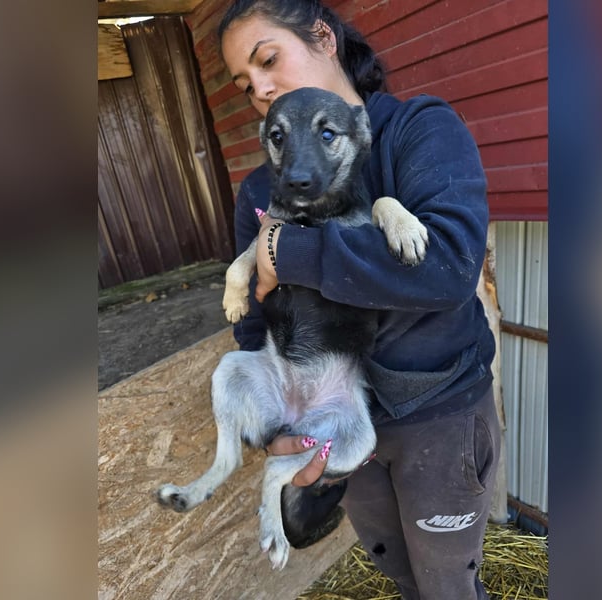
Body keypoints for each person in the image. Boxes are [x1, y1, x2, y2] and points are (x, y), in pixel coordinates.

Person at [218, 2, 501, 598]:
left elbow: (447, 267)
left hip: (439, 414)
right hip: (342, 422)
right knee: (394, 568)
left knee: (447, 582)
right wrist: (276, 425)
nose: (261, 87)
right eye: (245, 85)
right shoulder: (260, 191)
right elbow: (255, 319)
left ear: (323, 38)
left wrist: (285, 253)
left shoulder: (416, 131)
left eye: (267, 60)